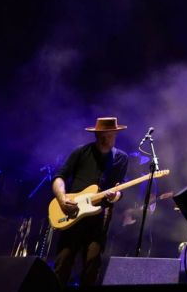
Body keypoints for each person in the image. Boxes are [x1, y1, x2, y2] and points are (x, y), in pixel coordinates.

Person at [52, 117, 130, 287]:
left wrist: (114, 196)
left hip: (99, 218)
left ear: (115, 134)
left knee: (92, 266)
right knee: (63, 262)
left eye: (109, 135)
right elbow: (59, 177)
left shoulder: (121, 158)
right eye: (101, 135)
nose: (105, 139)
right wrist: (62, 198)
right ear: (95, 135)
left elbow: (119, 190)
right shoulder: (80, 152)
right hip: (72, 213)